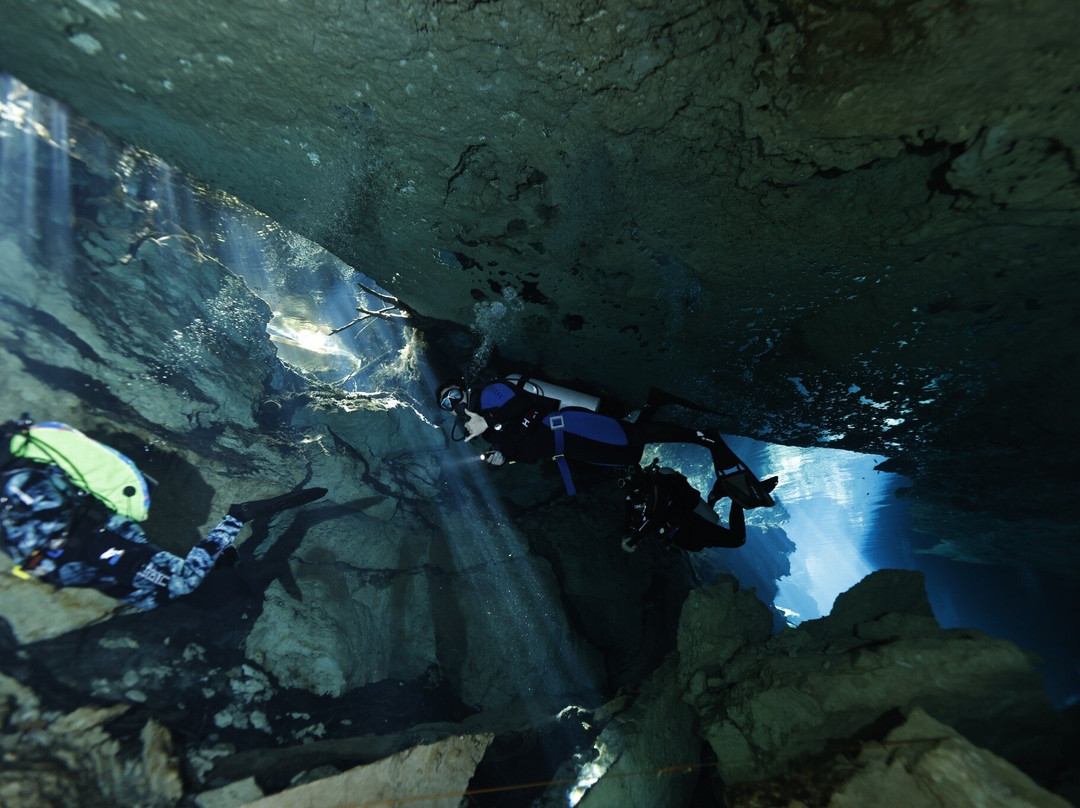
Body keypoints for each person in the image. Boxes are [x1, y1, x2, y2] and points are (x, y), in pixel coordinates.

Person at [1, 416, 326, 611]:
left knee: (181, 584)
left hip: (97, 544)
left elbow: (57, 513)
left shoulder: (18, 482)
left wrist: (48, 543)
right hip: (78, 560)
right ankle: (220, 560)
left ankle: (237, 517)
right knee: (152, 598)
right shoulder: (12, 483)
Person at [436, 375, 777, 509]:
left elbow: (522, 404)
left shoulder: (489, 394)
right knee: (629, 456)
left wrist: (489, 419)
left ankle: (704, 439)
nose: (454, 403)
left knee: (633, 438)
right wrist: (504, 458)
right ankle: (654, 401)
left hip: (566, 424)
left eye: (452, 394)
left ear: (461, 388)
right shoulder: (482, 430)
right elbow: (525, 452)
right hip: (565, 446)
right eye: (447, 404)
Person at [619, 461, 778, 553]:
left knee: (737, 539)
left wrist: (636, 538)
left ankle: (738, 499)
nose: (628, 479)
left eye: (630, 473)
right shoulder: (633, 497)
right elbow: (628, 523)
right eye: (625, 478)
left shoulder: (658, 481)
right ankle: (719, 495)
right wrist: (628, 536)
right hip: (685, 530)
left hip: (686, 528)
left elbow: (658, 514)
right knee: (714, 520)